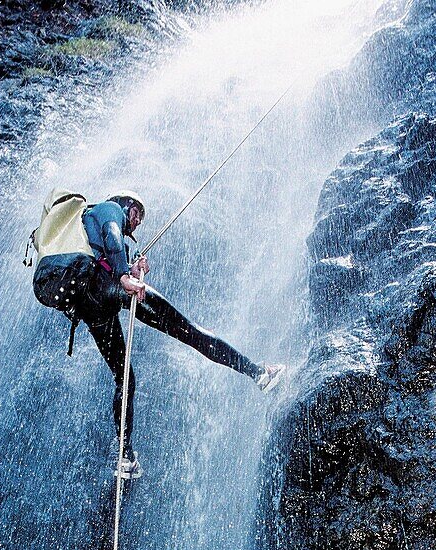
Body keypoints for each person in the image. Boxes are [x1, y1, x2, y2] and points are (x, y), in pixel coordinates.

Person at [33, 192, 284, 479]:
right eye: (136, 211)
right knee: (190, 332)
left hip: (90, 306)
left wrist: (131, 268)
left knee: (124, 376)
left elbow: (112, 254)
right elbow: (113, 234)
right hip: (106, 287)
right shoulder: (107, 209)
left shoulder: (89, 242)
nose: (138, 220)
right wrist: (126, 276)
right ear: (124, 203)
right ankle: (258, 373)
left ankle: (125, 456)